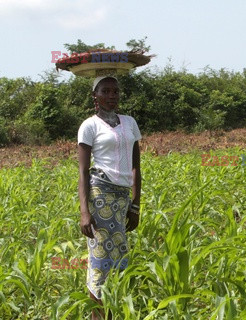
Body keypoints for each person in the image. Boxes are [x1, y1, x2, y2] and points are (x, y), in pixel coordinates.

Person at [77, 76, 141, 320]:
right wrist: (85, 211)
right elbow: (83, 171)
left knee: (120, 256)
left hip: (123, 198)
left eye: (116, 91)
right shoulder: (89, 126)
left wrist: (135, 205)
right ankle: (98, 316)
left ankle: (113, 312)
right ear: (96, 96)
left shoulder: (130, 123)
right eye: (106, 91)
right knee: (101, 257)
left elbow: (136, 167)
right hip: (100, 195)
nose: (112, 95)